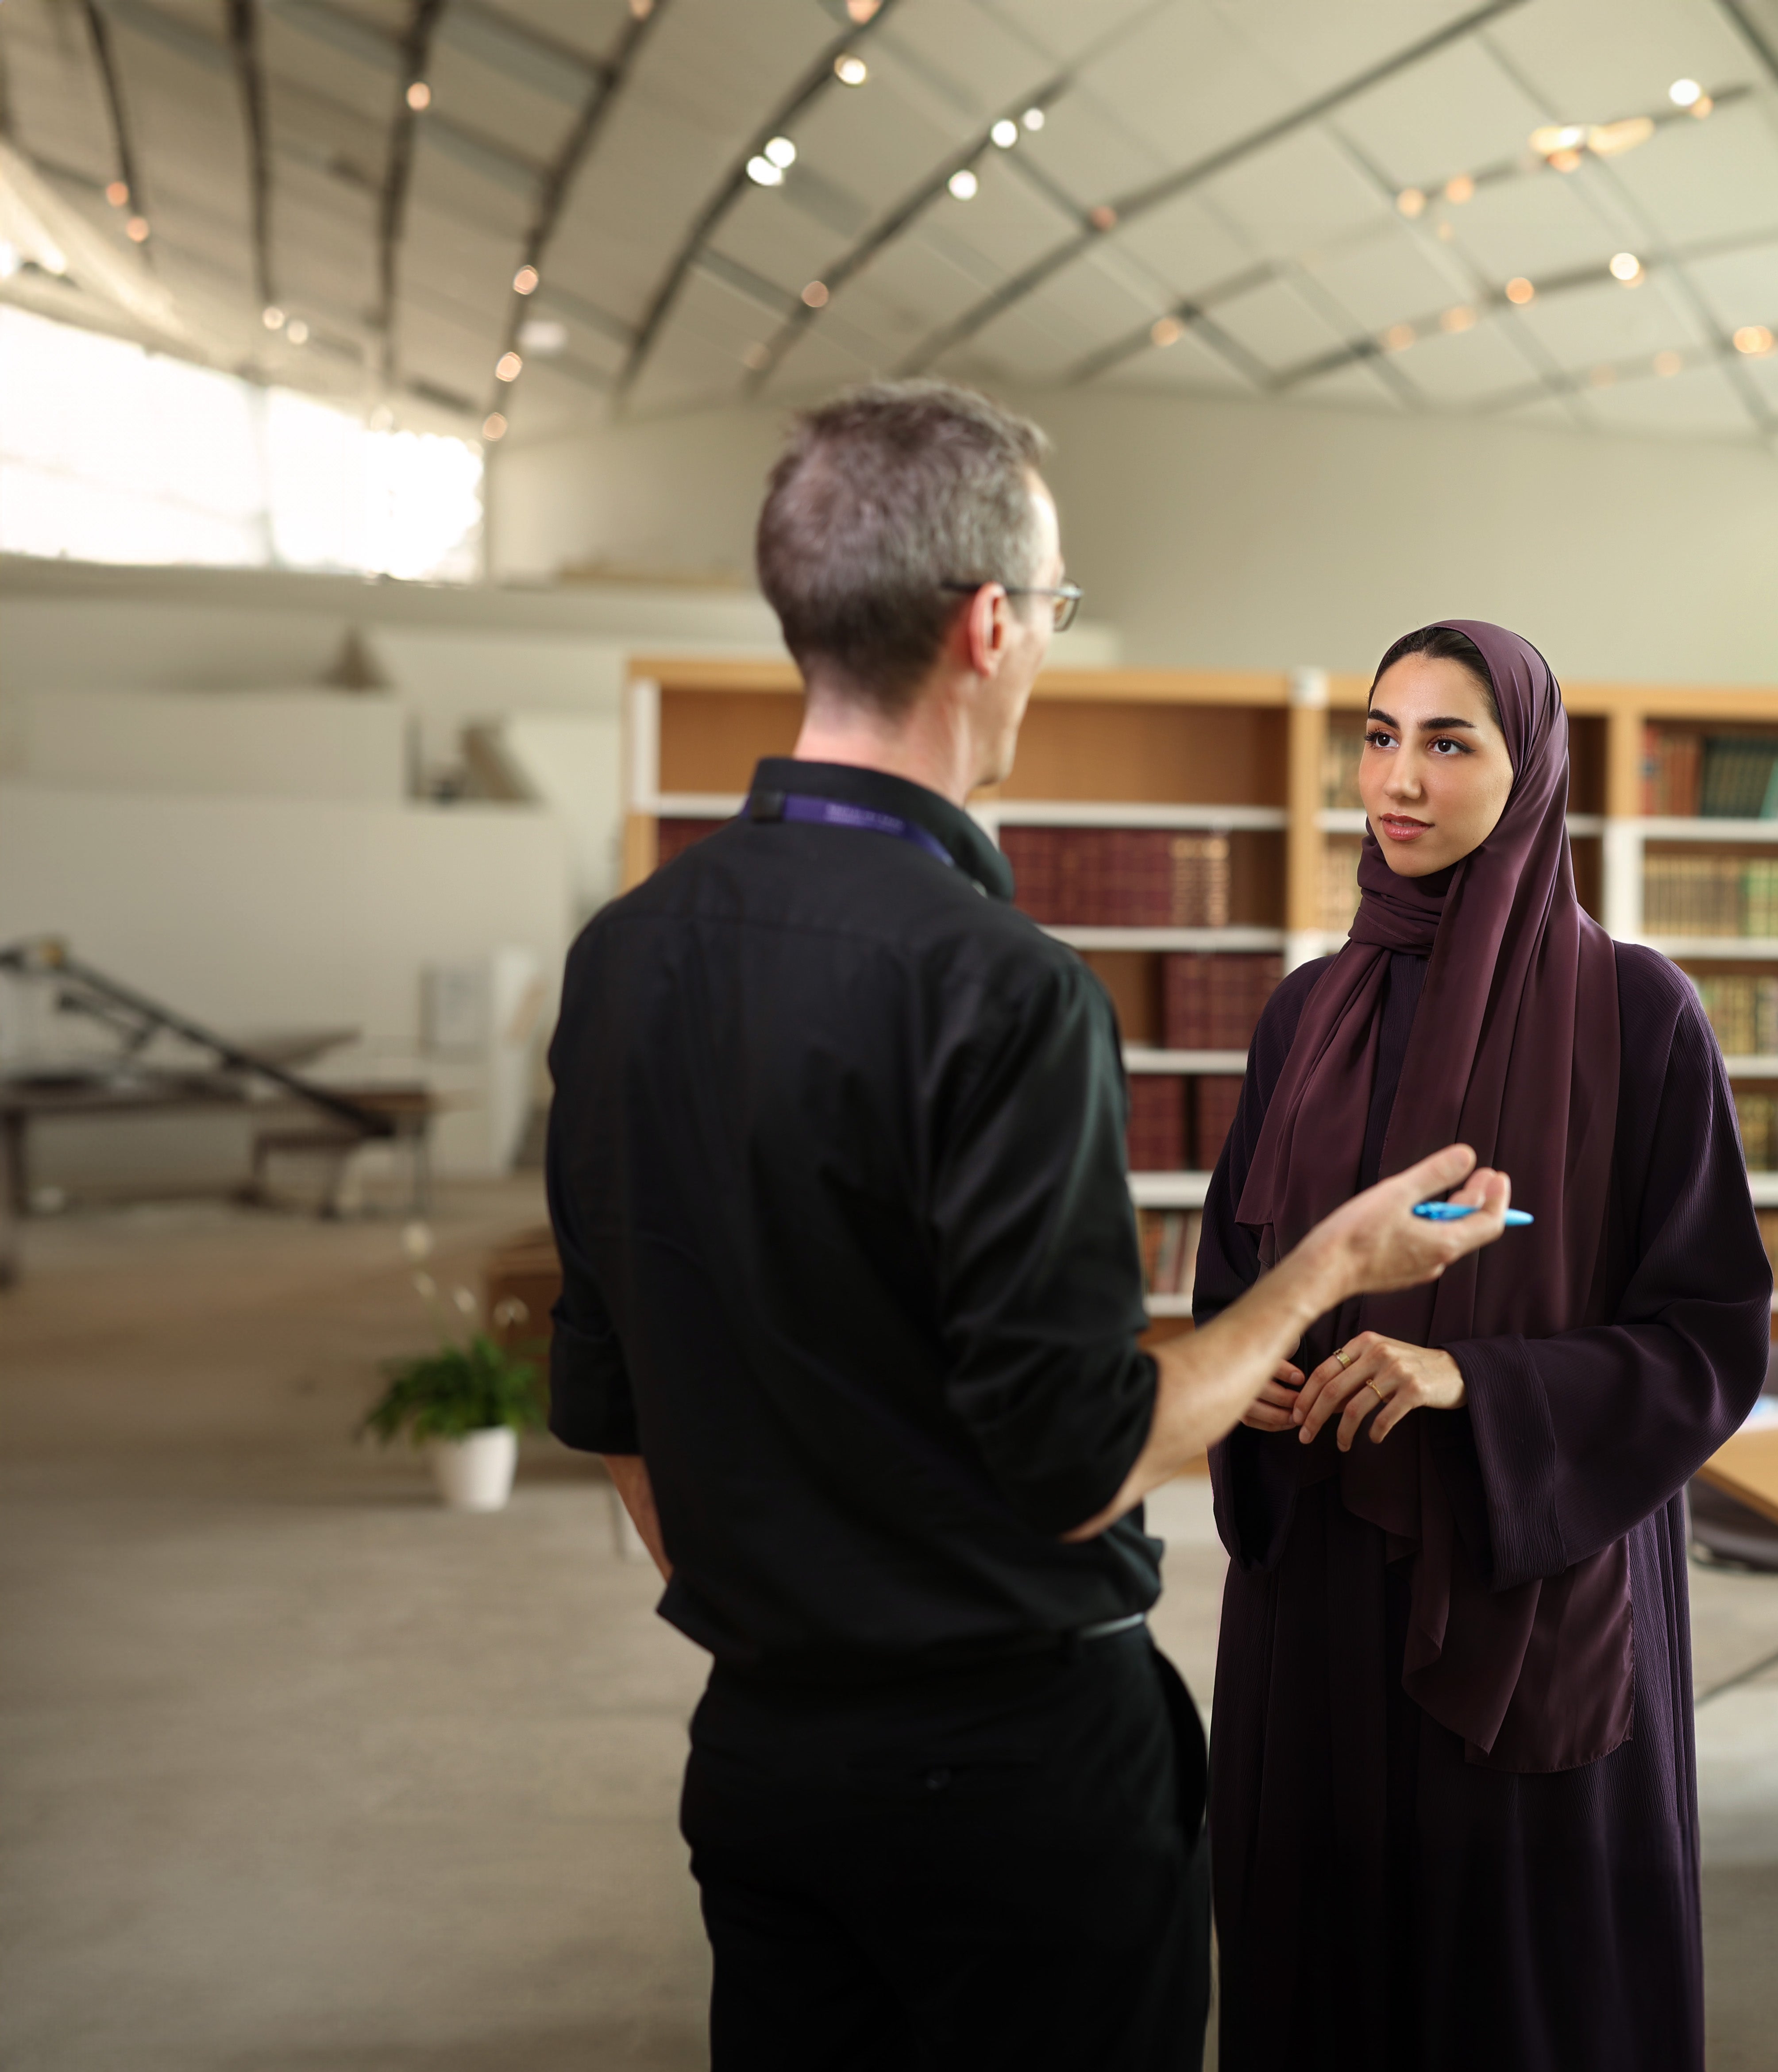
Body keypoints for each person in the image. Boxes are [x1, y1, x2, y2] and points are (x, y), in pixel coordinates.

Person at [540, 384, 1515, 2072]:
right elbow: (1080, 1452)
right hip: (1014, 1773)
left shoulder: (629, 953)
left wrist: (793, 1617)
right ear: (987, 624)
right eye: (1052, 607)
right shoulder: (1002, 986)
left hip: (760, 1745)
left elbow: (610, 1401)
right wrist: (1337, 1266)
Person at [1193, 620, 1771, 2072]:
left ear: (1529, 772)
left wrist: (1478, 1380)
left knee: (1522, 1989)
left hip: (1525, 1569)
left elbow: (1710, 1332)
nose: (1400, 776)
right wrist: (1246, 1366)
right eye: (1380, 737)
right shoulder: (1303, 1015)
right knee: (1326, 1961)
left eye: (1450, 742)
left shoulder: (1640, 1010)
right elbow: (1239, 1269)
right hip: (1318, 1567)